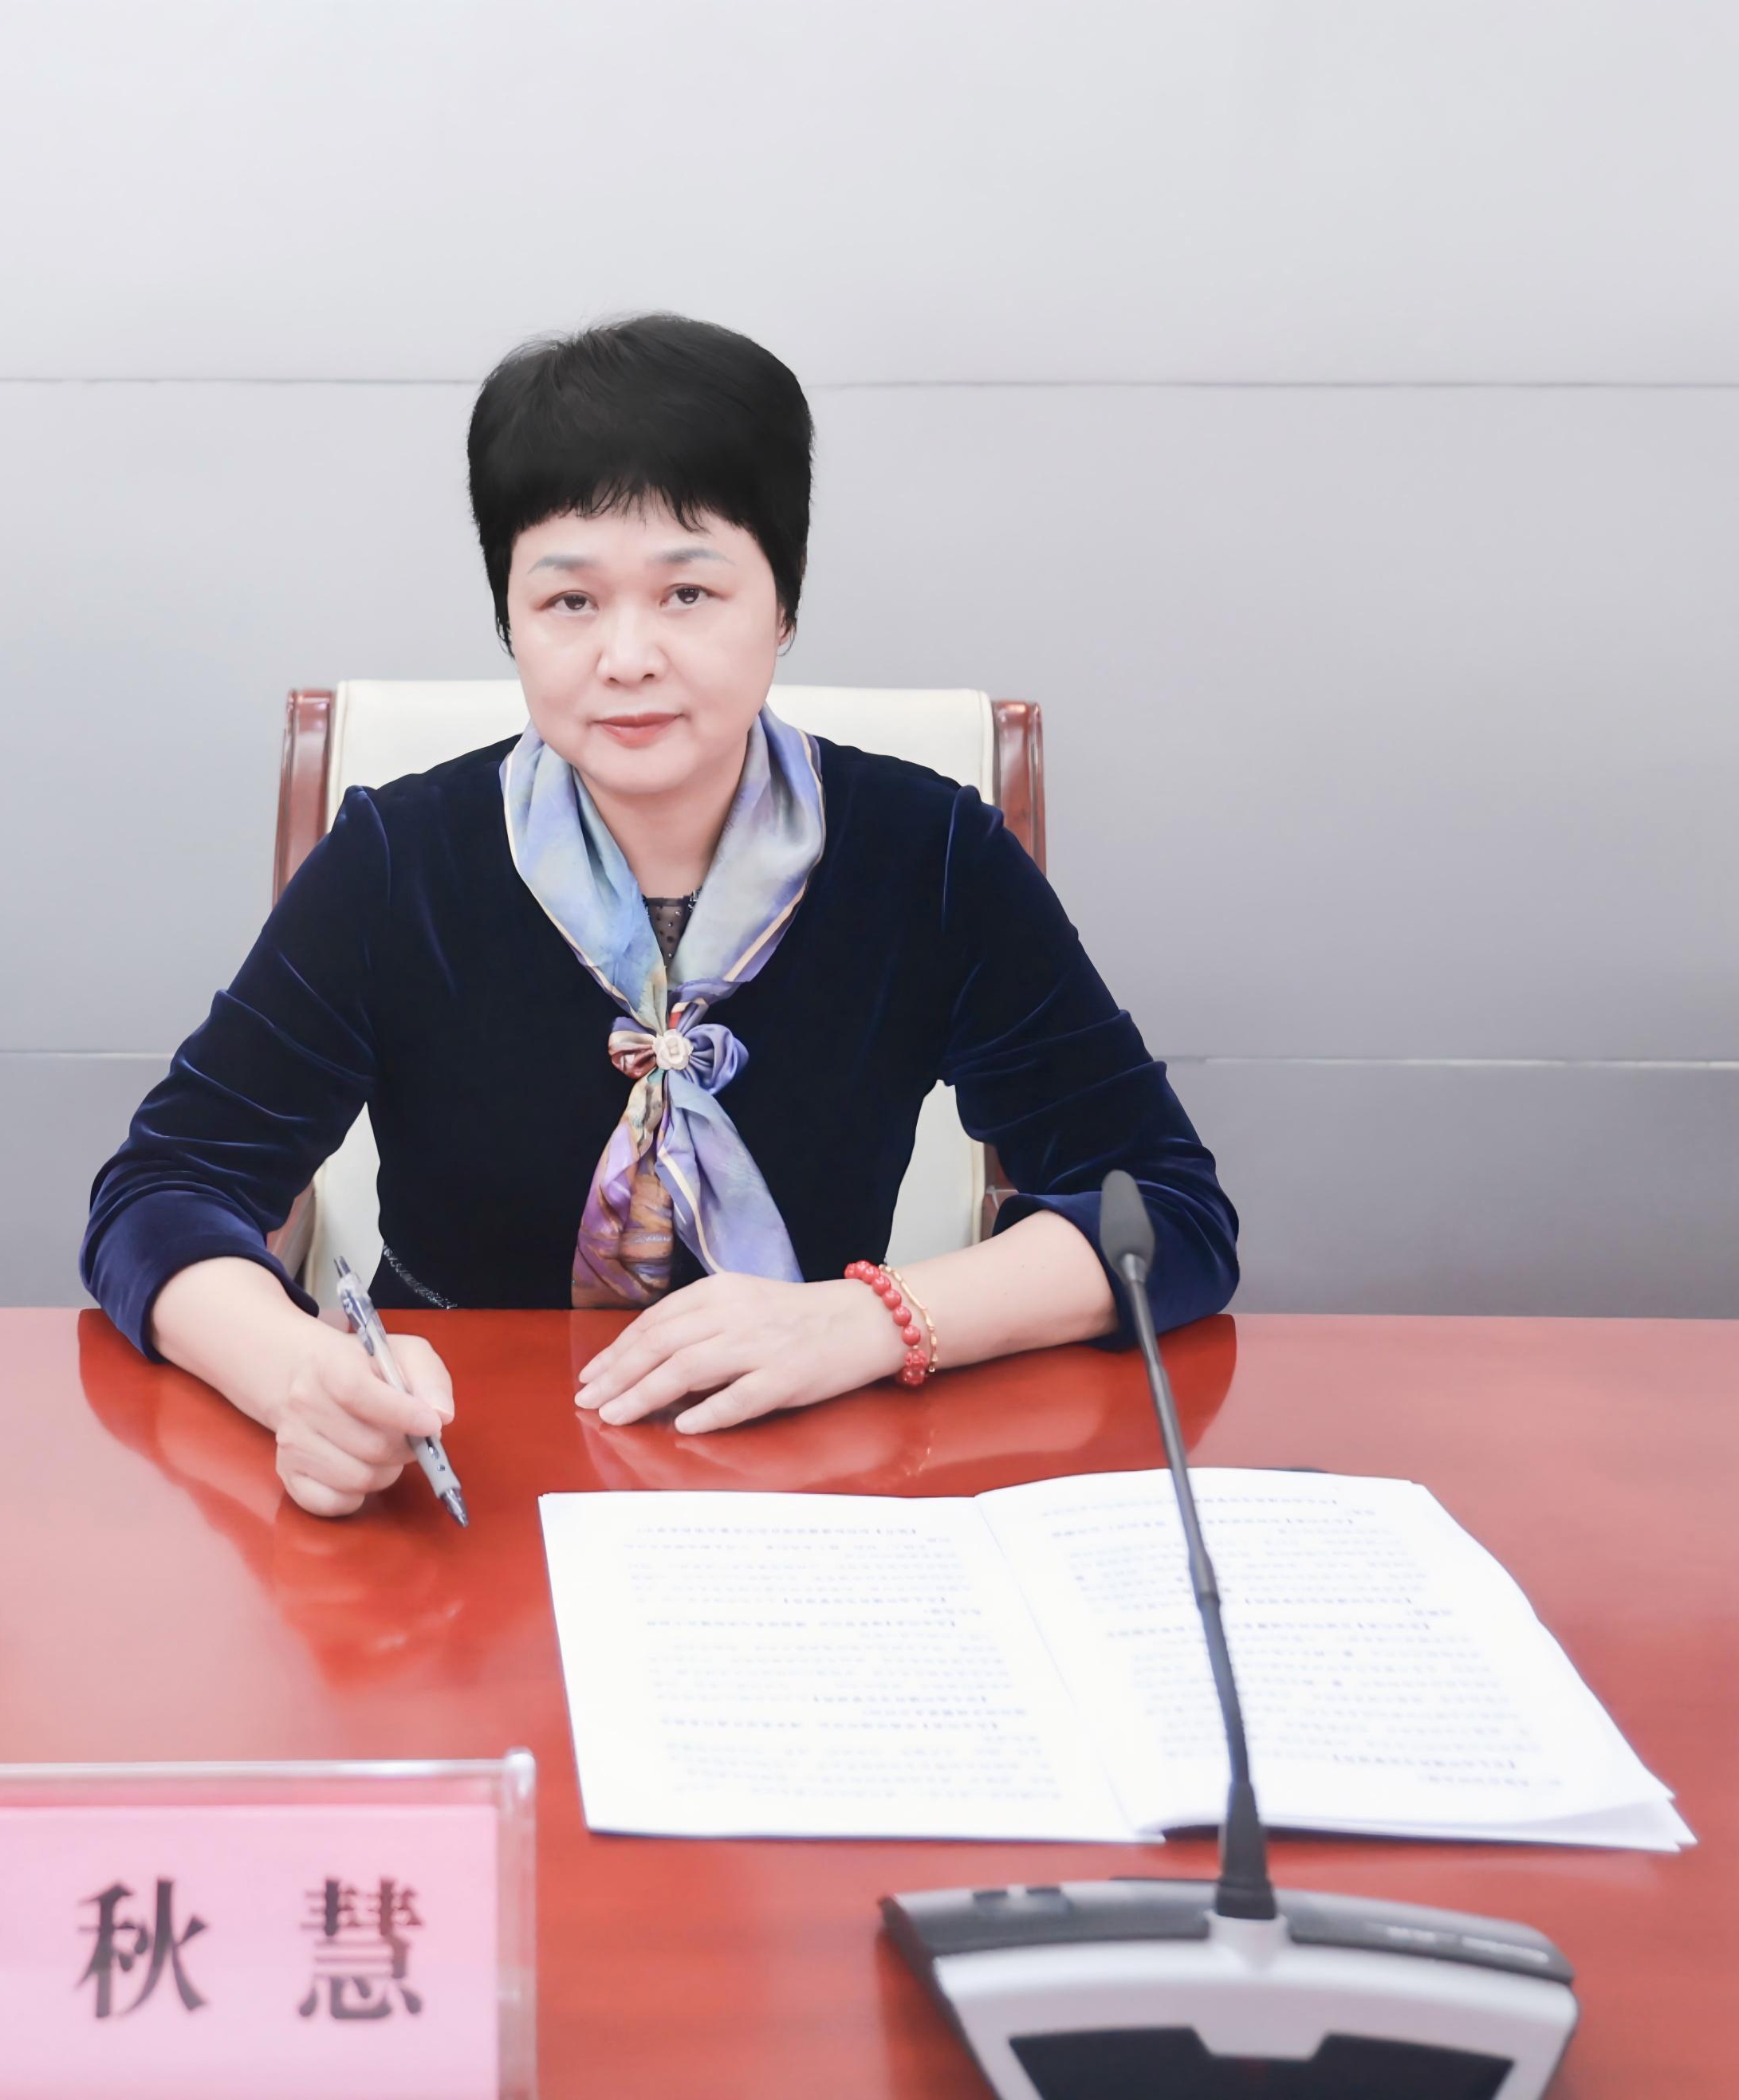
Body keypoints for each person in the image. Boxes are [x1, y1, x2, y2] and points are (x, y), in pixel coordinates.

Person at [85, 314, 1237, 1517]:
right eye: (569, 600)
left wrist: (868, 1319)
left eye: (688, 591)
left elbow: (1165, 1208)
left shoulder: (929, 853)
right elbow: (159, 1192)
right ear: (511, 619)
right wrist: (303, 1379)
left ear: (782, 604)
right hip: (453, 1470)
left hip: (818, 1471)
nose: (626, 655)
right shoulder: (398, 859)